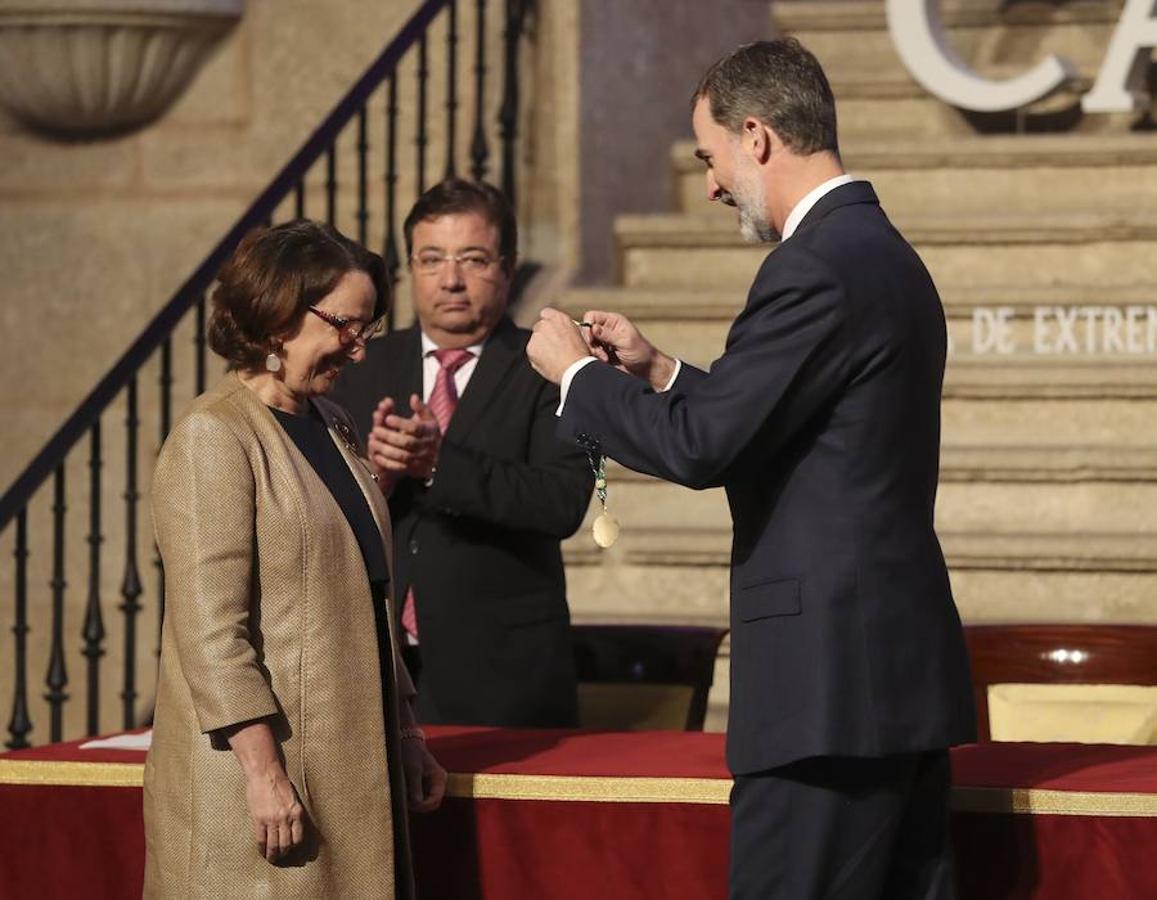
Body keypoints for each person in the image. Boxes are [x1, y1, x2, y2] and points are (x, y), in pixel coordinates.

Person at [527, 39, 975, 899]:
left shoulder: (810, 267)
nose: (709, 184)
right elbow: (807, 429)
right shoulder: (882, 255)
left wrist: (574, 376)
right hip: (883, 681)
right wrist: (661, 374)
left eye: (710, 155)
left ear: (757, 136)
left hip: (826, 693)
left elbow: (701, 448)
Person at [146, 220, 446, 898]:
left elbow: (369, 597)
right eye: (344, 325)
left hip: (348, 768)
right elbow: (212, 635)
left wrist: (405, 732)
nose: (358, 350)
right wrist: (263, 772)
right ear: (278, 314)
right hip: (266, 784)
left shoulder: (332, 425)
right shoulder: (214, 436)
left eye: (365, 329)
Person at [331, 179, 592, 728]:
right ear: (409, 270)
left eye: (472, 259)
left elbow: (562, 501)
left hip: (502, 674)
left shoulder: (550, 365)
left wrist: (436, 466)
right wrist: (376, 474)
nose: (450, 280)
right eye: (431, 260)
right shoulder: (360, 367)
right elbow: (313, 511)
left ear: (507, 265)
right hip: (371, 667)